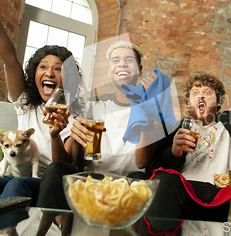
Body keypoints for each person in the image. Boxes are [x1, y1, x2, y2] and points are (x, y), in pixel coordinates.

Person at [142, 27, 231, 232]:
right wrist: (173, 152)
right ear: (188, 103)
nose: (200, 96)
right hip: (186, 190)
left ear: (218, 103)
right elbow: (152, 168)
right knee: (163, 179)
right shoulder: (177, 128)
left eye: (207, 93)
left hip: (227, 193)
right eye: (195, 93)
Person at [34, 40, 158, 235]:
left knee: (138, 179)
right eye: (116, 60)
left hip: (127, 181)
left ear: (139, 69)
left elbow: (142, 161)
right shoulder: (94, 107)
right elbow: (71, 162)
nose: (122, 64)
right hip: (91, 178)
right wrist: (58, 136)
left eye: (129, 60)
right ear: (110, 70)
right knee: (56, 169)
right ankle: (46, 233)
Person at [0, 0, 80, 203]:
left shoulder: (76, 117)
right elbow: (10, 61)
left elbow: (64, 165)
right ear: (34, 73)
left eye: (58, 69)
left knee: (17, 184)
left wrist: (55, 135)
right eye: (43, 67)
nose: (49, 73)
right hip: (10, 176)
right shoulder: (26, 103)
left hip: (42, 182)